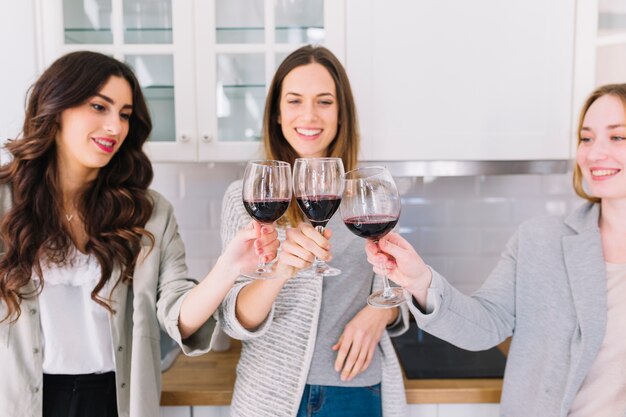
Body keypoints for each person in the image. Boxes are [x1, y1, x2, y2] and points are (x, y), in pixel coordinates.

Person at [0, 51, 278, 417]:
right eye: (99, 107)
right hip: (22, 401)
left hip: (116, 401)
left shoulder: (149, 213)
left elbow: (177, 314)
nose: (115, 126)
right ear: (56, 106)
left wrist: (228, 267)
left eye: (125, 114)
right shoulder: (5, 202)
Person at [364, 83, 626, 416]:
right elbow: (485, 327)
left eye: (618, 137)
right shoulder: (540, 241)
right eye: (586, 138)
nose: (594, 153)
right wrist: (420, 281)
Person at [217, 45, 409, 417]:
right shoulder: (246, 196)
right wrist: (280, 272)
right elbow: (235, 321)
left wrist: (379, 313)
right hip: (269, 392)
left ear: (341, 114)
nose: (309, 115)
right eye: (294, 101)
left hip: (354, 389)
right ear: (276, 112)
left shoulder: (367, 194)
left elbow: (398, 282)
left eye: (324, 102)